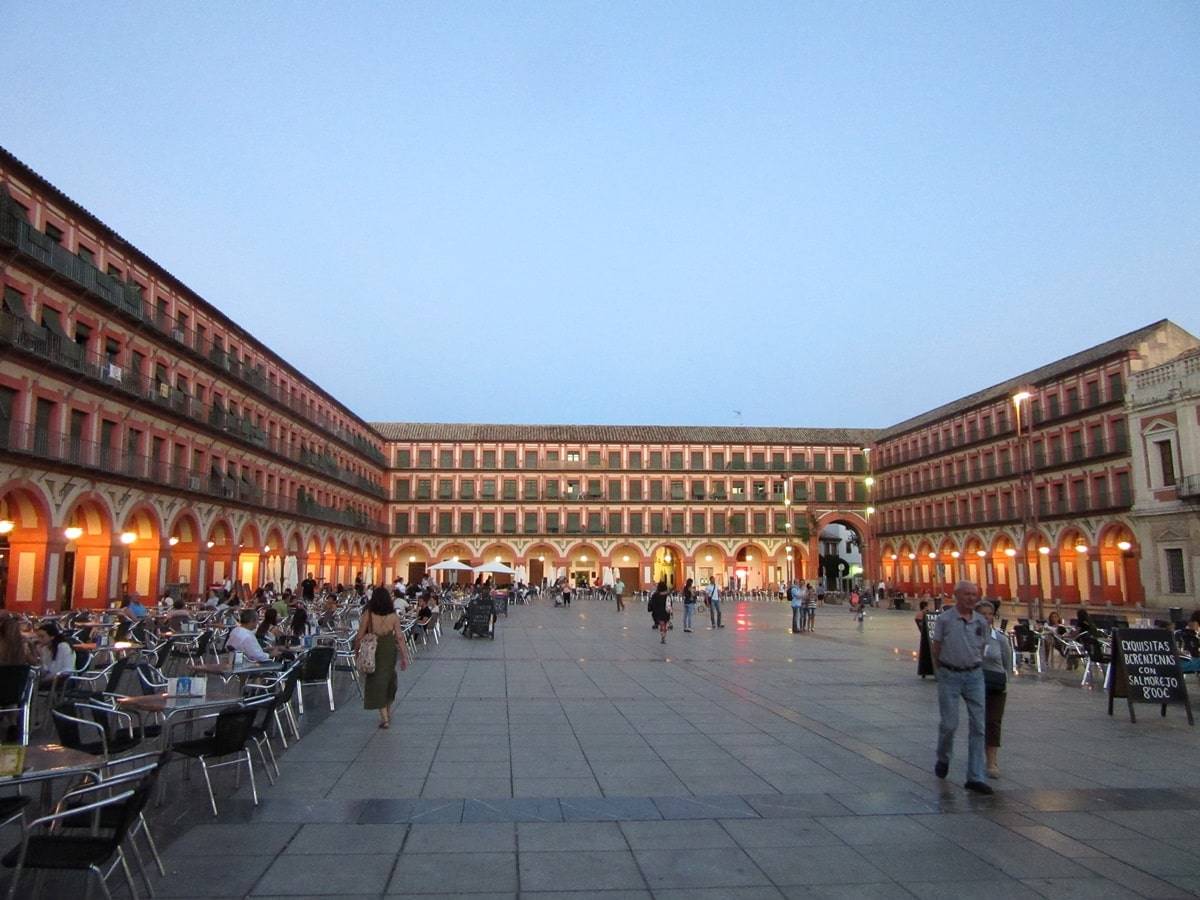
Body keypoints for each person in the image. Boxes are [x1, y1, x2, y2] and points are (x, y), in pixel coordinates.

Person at [930, 581, 992, 794]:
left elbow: (983, 645)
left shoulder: (981, 622)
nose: (971, 598)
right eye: (967, 594)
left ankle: (975, 776)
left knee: (979, 726)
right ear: (956, 595)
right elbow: (936, 647)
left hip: (974, 675)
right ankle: (943, 757)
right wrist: (941, 672)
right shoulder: (944, 620)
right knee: (950, 724)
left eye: (975, 594)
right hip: (950, 674)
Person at [356, 586, 409, 728]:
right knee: (389, 678)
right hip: (389, 648)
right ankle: (387, 711)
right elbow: (399, 637)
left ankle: (385, 718)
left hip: (374, 648)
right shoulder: (393, 616)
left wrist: (356, 651)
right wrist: (404, 656)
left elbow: (360, 634)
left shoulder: (369, 613)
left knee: (376, 680)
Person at [977, 599, 1014, 778]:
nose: (987, 617)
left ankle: (992, 761)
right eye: (983, 614)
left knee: (993, 722)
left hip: (995, 685)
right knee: (977, 723)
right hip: (974, 686)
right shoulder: (969, 637)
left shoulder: (1000, 639)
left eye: (989, 614)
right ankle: (977, 758)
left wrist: (1005, 681)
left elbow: (1007, 663)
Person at [916, 600, 935, 678]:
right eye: (927, 606)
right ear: (925, 606)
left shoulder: (919, 614)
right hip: (927, 637)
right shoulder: (923, 614)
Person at [649, 579, 671, 644]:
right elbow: (670, 603)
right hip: (666, 612)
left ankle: (662, 637)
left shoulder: (655, 595)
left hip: (659, 612)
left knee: (661, 624)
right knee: (665, 624)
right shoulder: (668, 595)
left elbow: (652, 603)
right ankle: (664, 635)